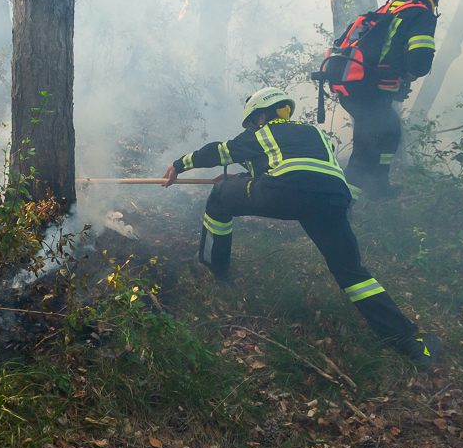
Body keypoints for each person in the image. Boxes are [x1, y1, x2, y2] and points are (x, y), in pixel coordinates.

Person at [162, 86, 437, 366]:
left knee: (219, 197)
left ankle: (216, 271)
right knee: (352, 272)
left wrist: (178, 165)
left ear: (260, 116)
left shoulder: (263, 132)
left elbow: (219, 153)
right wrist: (244, 178)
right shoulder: (314, 134)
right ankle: (409, 342)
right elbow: (292, 165)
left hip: (284, 192)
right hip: (331, 198)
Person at [333, 0, 457, 197]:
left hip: (355, 87)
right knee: (366, 148)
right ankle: (340, 203)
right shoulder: (421, 14)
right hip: (368, 92)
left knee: (390, 133)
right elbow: (419, 62)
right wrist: (408, 74)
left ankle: (378, 188)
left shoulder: (391, 7)